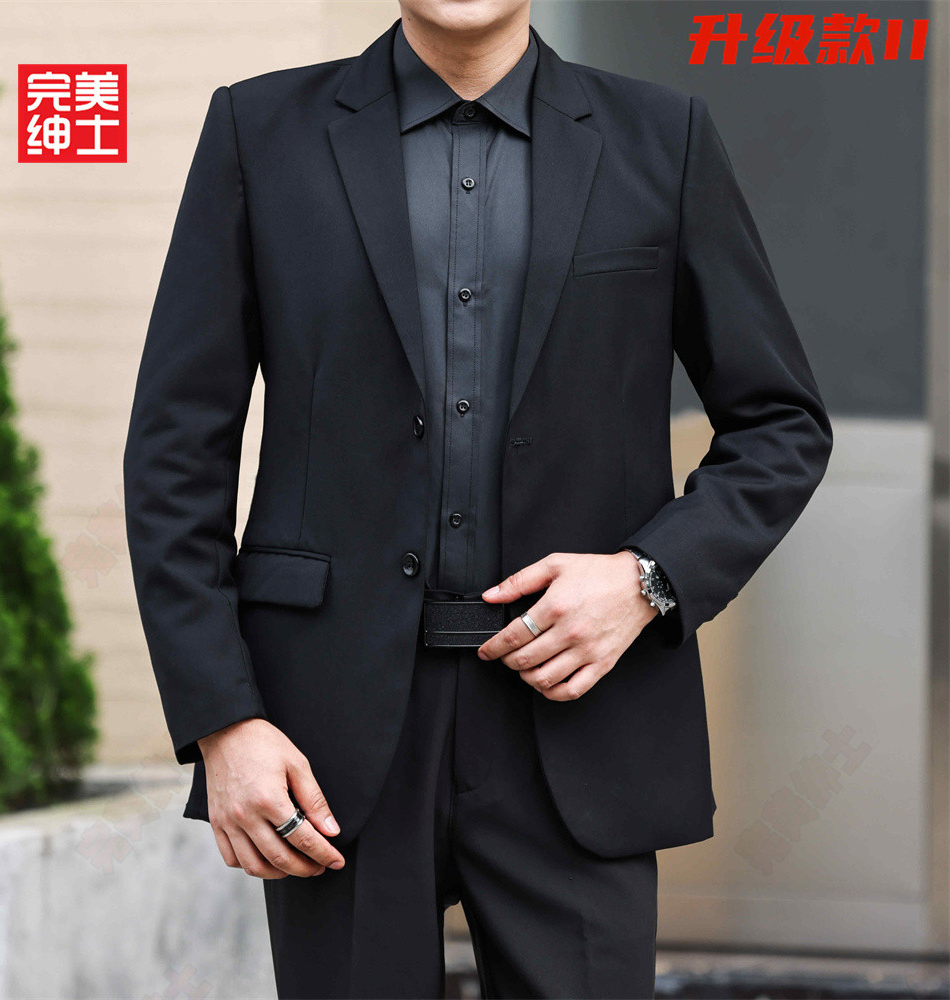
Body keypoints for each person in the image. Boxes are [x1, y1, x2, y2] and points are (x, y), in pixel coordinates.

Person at [123, 1, 832, 996]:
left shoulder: (661, 138)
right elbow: (175, 453)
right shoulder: (260, 131)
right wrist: (222, 721)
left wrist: (648, 579)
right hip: (329, 735)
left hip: (580, 716)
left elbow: (780, 422)